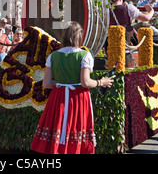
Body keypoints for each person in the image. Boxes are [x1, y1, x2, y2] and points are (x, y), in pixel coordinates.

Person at [31, 21, 115, 154]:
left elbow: (46, 83)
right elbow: (85, 82)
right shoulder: (84, 55)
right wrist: (101, 82)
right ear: (78, 36)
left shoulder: (54, 56)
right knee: (76, 130)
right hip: (77, 98)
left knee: (57, 130)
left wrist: (61, 84)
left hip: (58, 98)